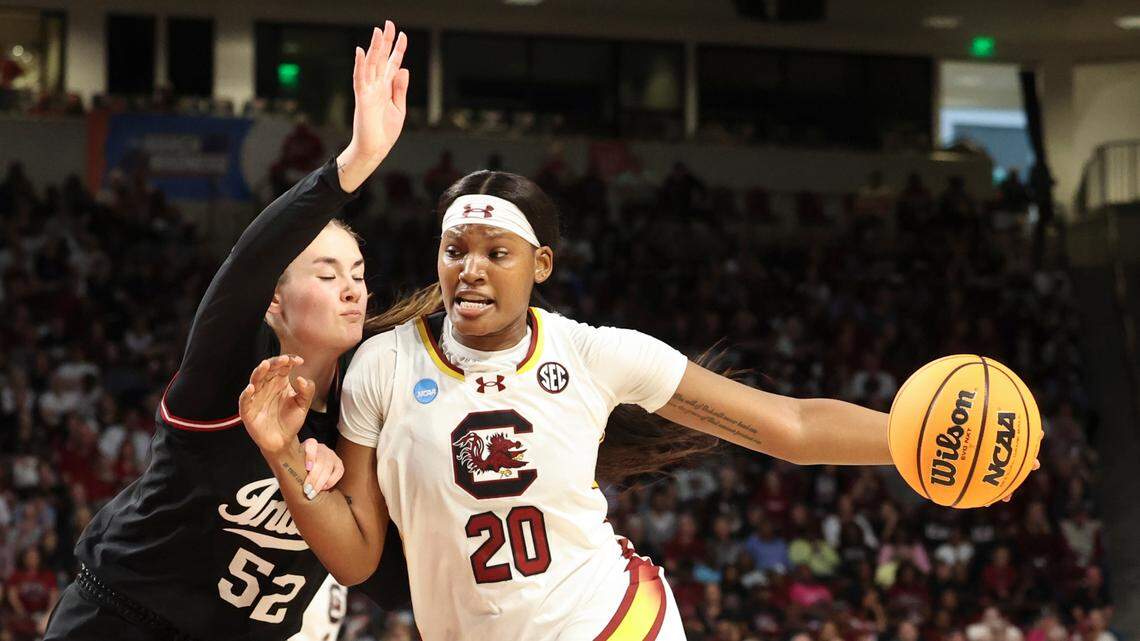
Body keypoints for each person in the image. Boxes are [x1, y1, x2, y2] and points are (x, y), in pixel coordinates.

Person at [238, 120, 1040, 641]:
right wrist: (281, 454)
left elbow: (785, 425)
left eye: (496, 251)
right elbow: (355, 555)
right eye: (456, 250)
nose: (470, 270)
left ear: (540, 265)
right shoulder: (384, 365)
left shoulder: (597, 355)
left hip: (611, 624)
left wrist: (918, 444)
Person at [44, 22, 412, 641]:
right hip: (121, 621)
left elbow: (383, 576)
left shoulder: (360, 421)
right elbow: (247, 263)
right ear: (274, 299)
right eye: (327, 275)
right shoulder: (225, 380)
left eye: (358, 273)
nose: (352, 289)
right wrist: (355, 163)